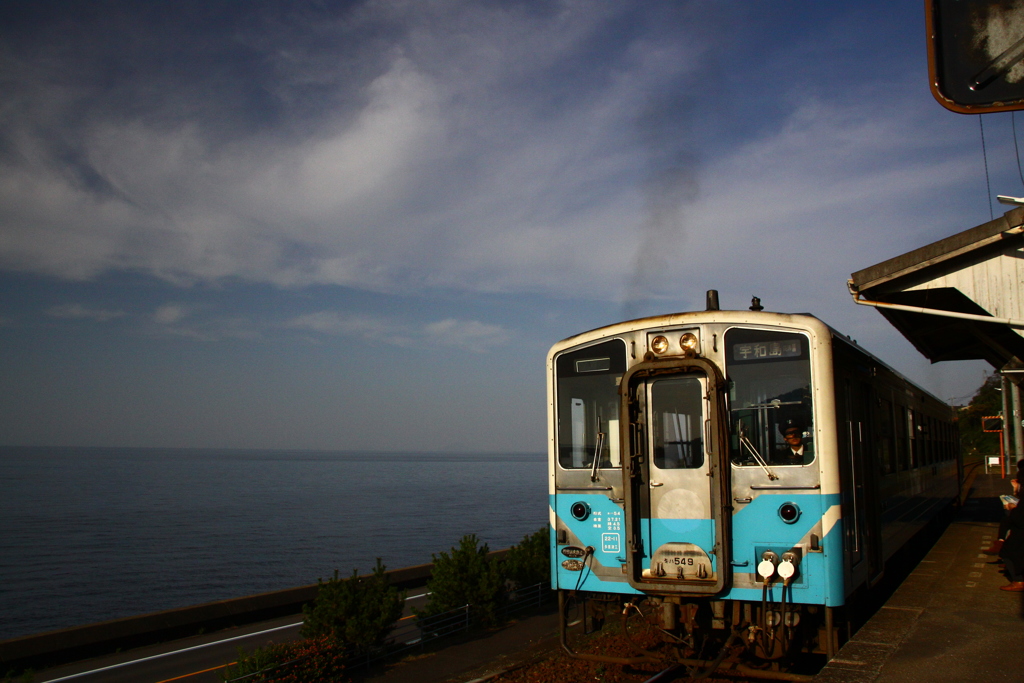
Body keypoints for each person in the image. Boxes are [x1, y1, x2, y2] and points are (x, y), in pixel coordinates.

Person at [999, 495, 1024, 591]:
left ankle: (1019, 581)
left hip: (1020, 533)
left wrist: (1013, 508)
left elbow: (1020, 519)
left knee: (1008, 553)